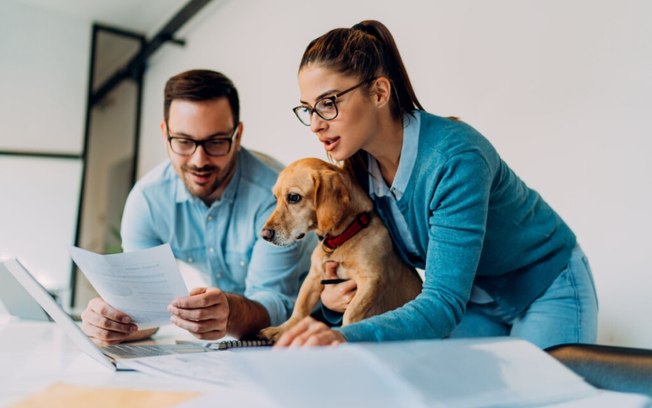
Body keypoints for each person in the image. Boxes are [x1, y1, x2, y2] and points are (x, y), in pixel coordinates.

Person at [276, 20, 598, 350]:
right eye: (308, 109)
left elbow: (442, 302)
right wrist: (332, 304)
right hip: (474, 301)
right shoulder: (357, 173)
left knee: (542, 401)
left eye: (328, 103)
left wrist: (342, 337)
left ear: (379, 92)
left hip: (544, 286)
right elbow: (366, 267)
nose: (315, 124)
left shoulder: (455, 158)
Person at [81, 69, 316, 346]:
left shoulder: (276, 195)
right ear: (164, 133)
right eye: (183, 141)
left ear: (237, 135)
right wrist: (116, 322)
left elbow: (276, 306)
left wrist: (228, 313)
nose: (198, 160)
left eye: (215, 142)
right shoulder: (147, 201)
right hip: (231, 345)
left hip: (312, 328)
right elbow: (144, 311)